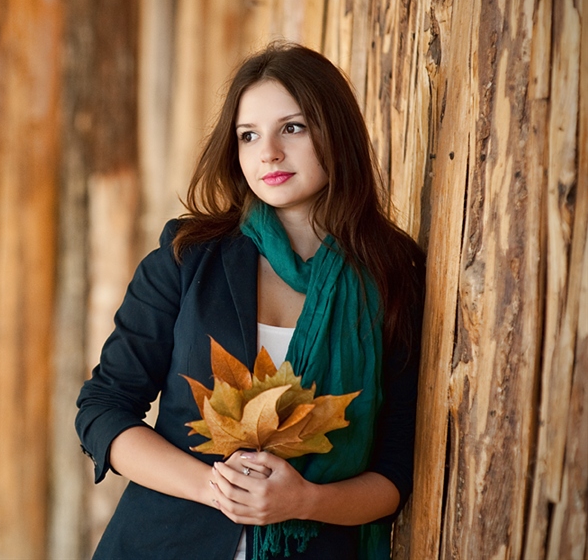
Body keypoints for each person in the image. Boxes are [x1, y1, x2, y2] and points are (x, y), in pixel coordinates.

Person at [75, 42, 425, 560]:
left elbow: (395, 469)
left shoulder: (392, 272)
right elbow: (103, 409)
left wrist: (305, 500)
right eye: (248, 135)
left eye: (294, 127)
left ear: (338, 132)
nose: (269, 154)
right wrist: (213, 488)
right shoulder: (188, 256)